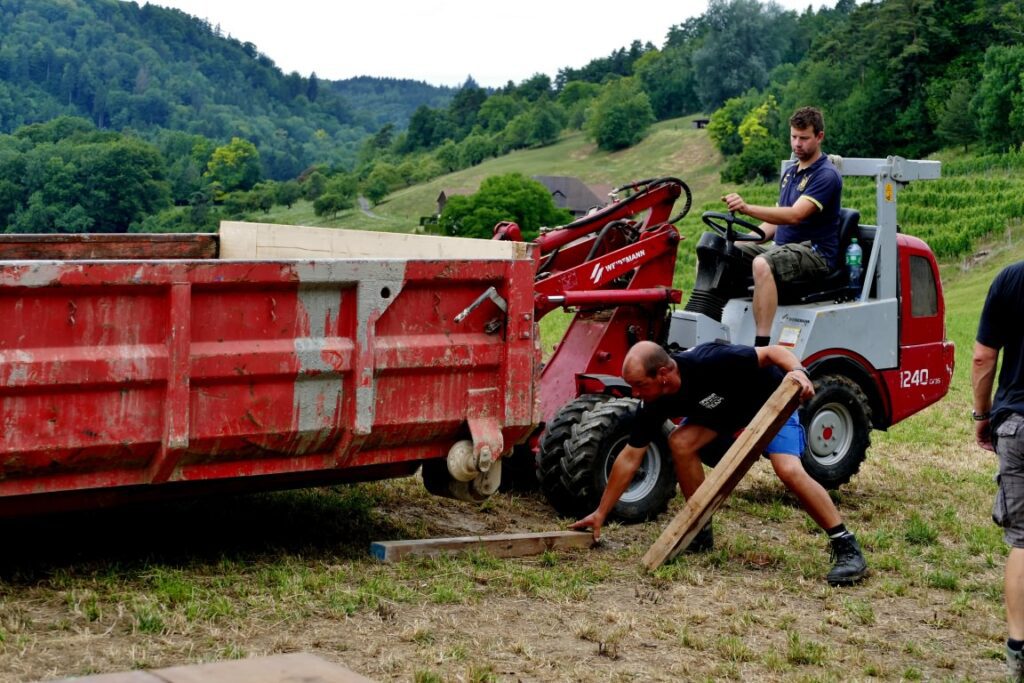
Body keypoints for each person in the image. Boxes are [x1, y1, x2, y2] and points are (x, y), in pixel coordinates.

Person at [571, 340, 867, 586]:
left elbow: (772, 352)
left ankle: (845, 545)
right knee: (680, 442)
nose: (635, 393)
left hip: (768, 398)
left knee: (787, 470)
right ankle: (699, 530)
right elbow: (630, 457)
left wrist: (799, 372)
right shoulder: (653, 402)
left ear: (662, 374)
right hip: (723, 411)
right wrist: (601, 513)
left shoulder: (710, 359)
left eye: (638, 385)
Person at [720, 106, 843, 347]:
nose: (797, 144)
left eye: (804, 138)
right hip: (782, 249)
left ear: (819, 137)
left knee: (762, 263)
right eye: (793, 137)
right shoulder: (790, 173)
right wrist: (743, 240)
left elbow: (795, 215)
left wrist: (746, 208)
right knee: (718, 251)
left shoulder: (826, 175)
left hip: (815, 252)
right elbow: (774, 223)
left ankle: (762, 345)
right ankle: (710, 321)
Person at [972, 260, 1024, 679]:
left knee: (1023, 539)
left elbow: (982, 356)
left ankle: (1018, 648)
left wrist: (982, 414)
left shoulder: (1010, 278)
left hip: (1017, 424)